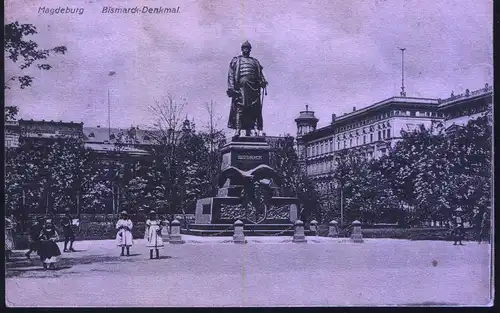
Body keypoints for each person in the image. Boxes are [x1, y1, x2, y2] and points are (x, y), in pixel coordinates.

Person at [227, 41, 268, 137]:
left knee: (253, 110)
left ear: (250, 50)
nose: (246, 50)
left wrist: (263, 82)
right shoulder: (237, 60)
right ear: (242, 49)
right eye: (245, 48)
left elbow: (260, 76)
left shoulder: (255, 62)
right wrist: (231, 88)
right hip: (242, 88)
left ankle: (250, 130)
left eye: (248, 48)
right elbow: (231, 75)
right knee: (240, 108)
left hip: (254, 89)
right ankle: (237, 129)